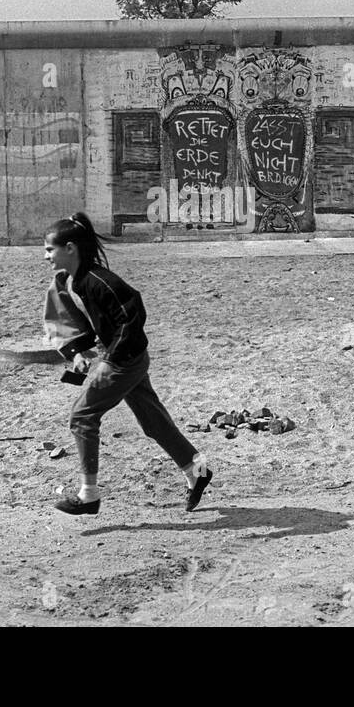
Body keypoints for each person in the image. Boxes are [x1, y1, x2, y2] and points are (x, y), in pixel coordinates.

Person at [42, 212, 213, 515]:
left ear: (70, 248)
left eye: (49, 249)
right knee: (153, 421)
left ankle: (89, 494)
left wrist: (113, 357)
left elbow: (133, 313)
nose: (46, 256)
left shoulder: (99, 281)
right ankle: (196, 470)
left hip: (125, 361)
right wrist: (78, 352)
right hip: (128, 358)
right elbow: (77, 321)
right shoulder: (71, 282)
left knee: (82, 417)